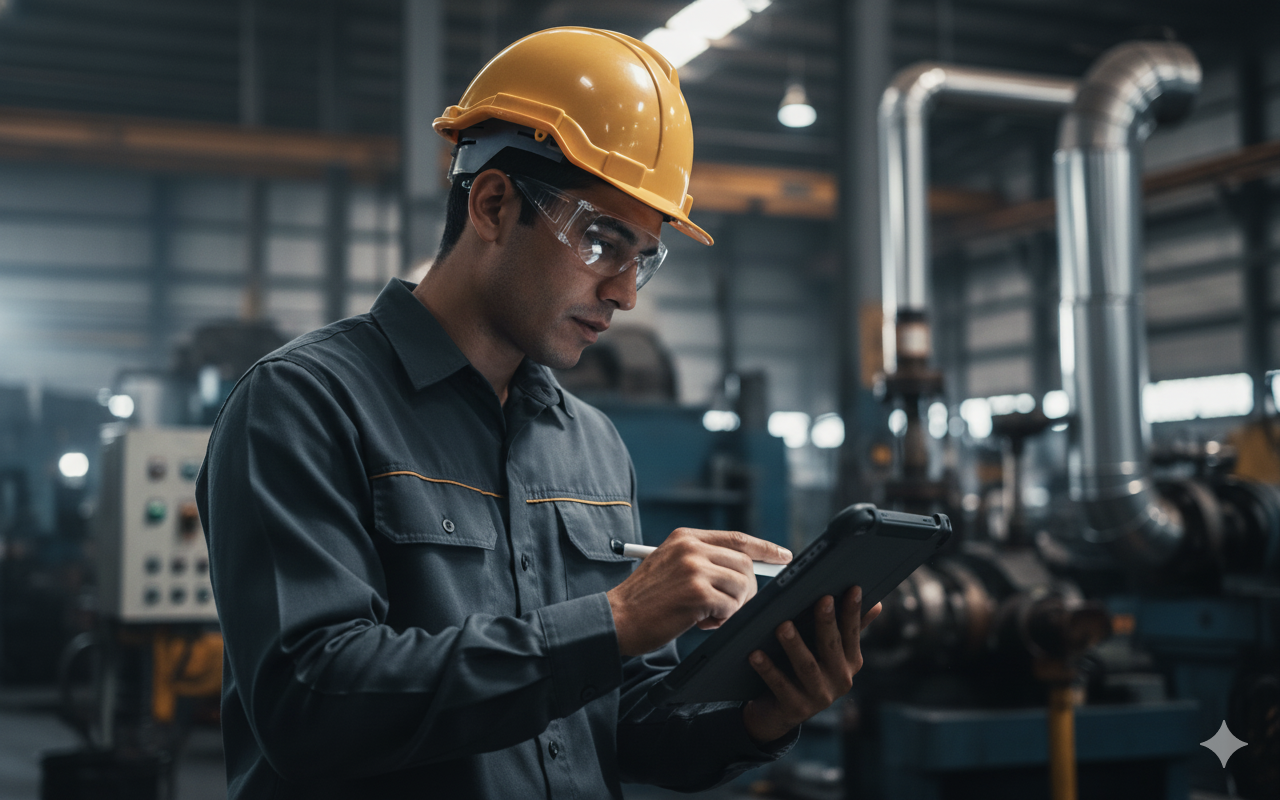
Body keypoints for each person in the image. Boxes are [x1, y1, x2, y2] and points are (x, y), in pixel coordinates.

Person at [197, 27, 880, 799]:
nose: (623, 292)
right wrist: (614, 620)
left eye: (644, 260)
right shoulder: (304, 405)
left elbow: (618, 724)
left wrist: (758, 714)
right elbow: (309, 704)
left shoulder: (589, 445)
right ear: (492, 204)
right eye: (601, 242)